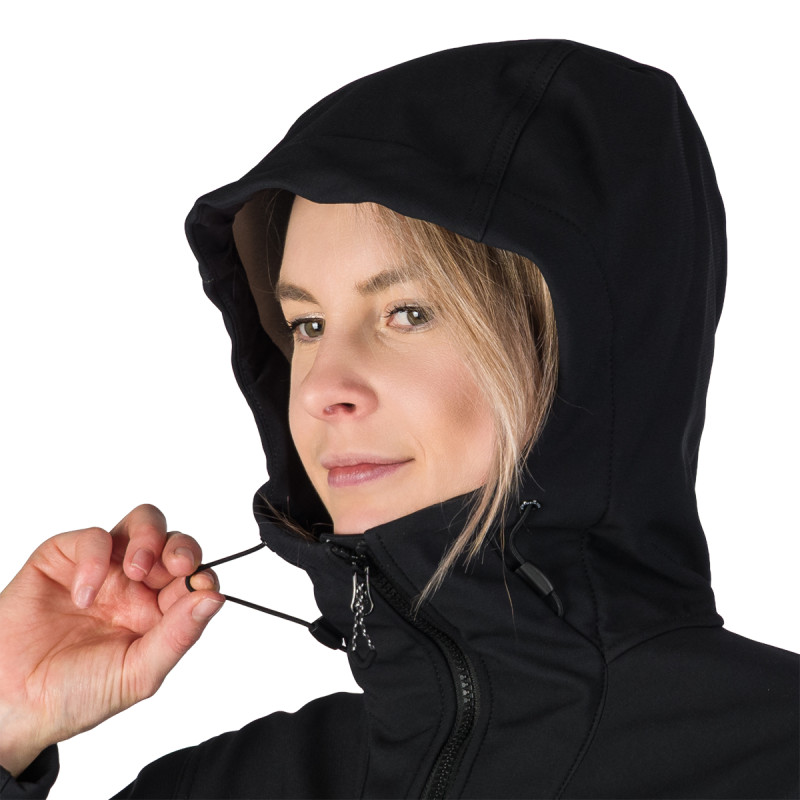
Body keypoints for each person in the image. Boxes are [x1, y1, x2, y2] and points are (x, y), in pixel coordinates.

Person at [1, 37, 798, 799]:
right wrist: (7, 719)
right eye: (308, 323)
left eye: (408, 313)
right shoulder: (236, 786)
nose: (321, 389)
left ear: (588, 343)